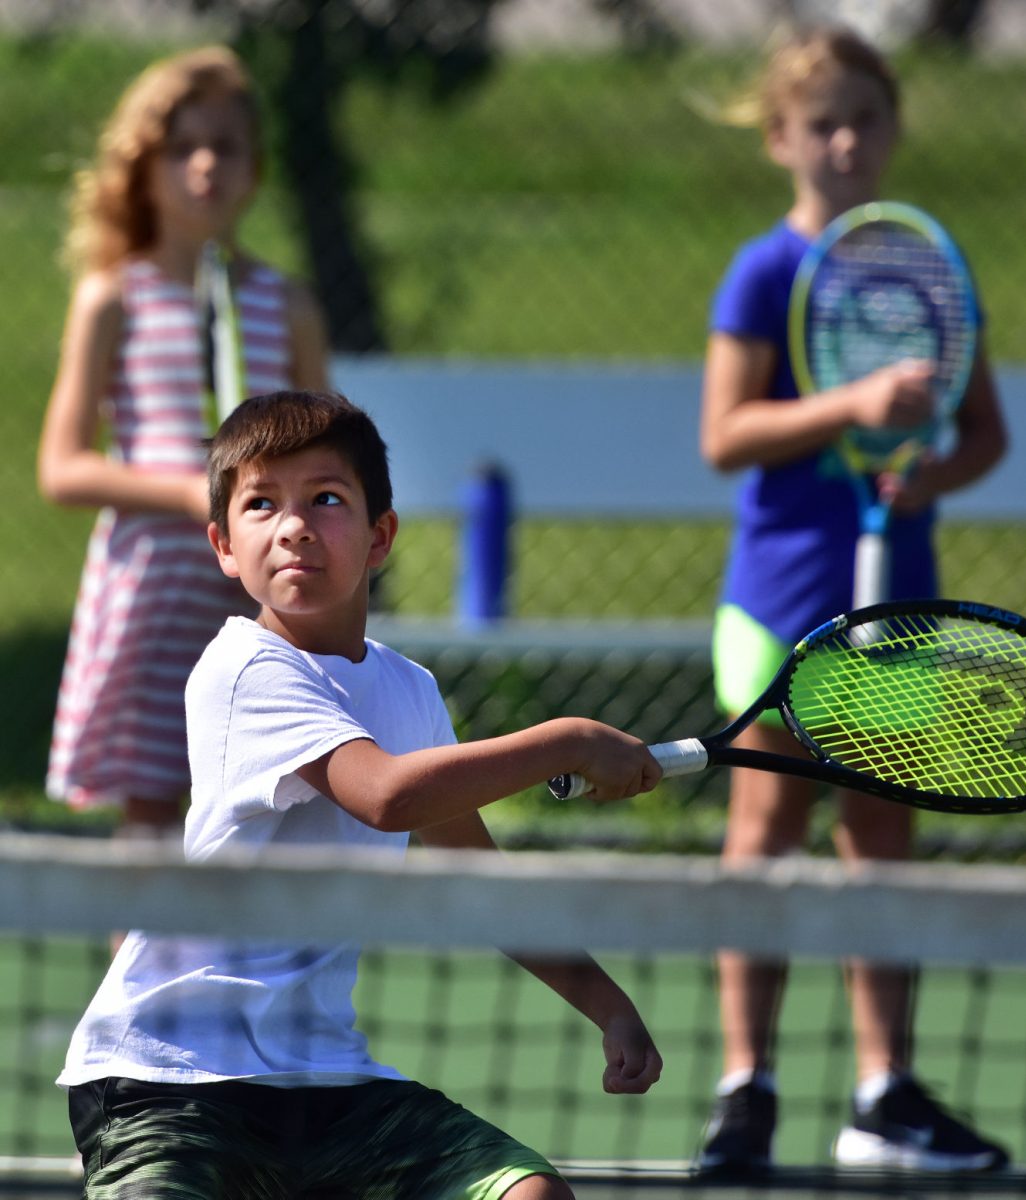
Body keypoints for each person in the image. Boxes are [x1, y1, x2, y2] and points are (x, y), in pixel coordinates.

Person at [58, 389, 664, 1200]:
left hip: (325, 1086)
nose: (294, 525)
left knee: (529, 1194)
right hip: (165, 1083)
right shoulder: (243, 671)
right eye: (261, 503)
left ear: (380, 538)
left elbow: (481, 885)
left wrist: (609, 1005)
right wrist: (567, 739)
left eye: (327, 500)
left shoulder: (409, 692)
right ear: (224, 547)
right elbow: (385, 796)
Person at [697, 25, 1008, 1174]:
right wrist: (852, 406)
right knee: (764, 831)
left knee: (880, 838)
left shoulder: (929, 267)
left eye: (864, 118)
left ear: (890, 132)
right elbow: (724, 435)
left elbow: (983, 437)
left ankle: (882, 1095)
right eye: (819, 121)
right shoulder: (762, 272)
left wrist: (923, 472)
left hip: (898, 608)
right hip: (779, 602)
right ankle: (745, 1091)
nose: (843, 140)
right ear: (779, 137)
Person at [37, 46, 329, 838]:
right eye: (182, 146)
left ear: (253, 167)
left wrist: (268, 520)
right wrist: (194, 496)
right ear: (143, 165)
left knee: (261, 807)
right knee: (151, 819)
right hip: (153, 595)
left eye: (226, 147)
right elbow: (62, 467)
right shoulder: (112, 298)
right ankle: (138, 967)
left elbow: (329, 449)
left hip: (257, 588)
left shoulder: (286, 303)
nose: (206, 165)